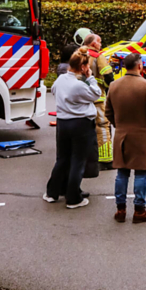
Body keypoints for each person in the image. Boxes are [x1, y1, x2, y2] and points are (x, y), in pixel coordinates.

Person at [105, 53, 146, 224]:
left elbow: (108, 112)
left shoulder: (114, 85)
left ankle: (120, 209)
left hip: (122, 134)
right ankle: (139, 210)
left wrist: (119, 126)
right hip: (143, 135)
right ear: (139, 66)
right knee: (141, 173)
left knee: (122, 173)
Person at [45, 50, 102, 209]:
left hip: (63, 123)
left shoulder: (60, 80)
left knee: (62, 159)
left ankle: (52, 192)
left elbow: (54, 91)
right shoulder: (78, 85)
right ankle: (73, 198)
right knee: (78, 160)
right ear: (83, 67)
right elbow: (96, 94)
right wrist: (90, 77)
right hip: (81, 124)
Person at [83, 33, 116, 170]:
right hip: (97, 98)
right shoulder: (97, 56)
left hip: (79, 98)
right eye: (99, 41)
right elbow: (108, 76)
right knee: (102, 126)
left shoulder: (78, 55)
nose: (101, 44)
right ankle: (106, 160)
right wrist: (109, 88)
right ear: (93, 44)